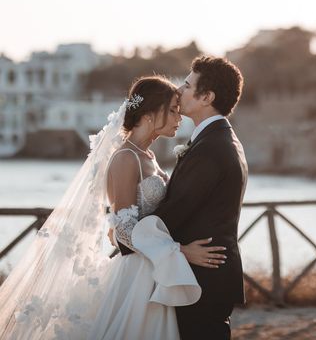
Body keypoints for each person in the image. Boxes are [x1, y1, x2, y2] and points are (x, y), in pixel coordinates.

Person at [0, 75, 227, 339]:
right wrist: (180, 251)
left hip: (153, 267)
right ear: (151, 114)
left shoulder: (149, 156)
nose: (180, 119)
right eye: (173, 111)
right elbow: (122, 230)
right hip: (137, 274)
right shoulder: (125, 158)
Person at [152, 55, 248, 340]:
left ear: (206, 97)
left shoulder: (211, 148)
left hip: (202, 276)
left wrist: (126, 233)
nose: (178, 91)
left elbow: (175, 212)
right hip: (207, 274)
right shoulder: (220, 139)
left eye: (186, 85)